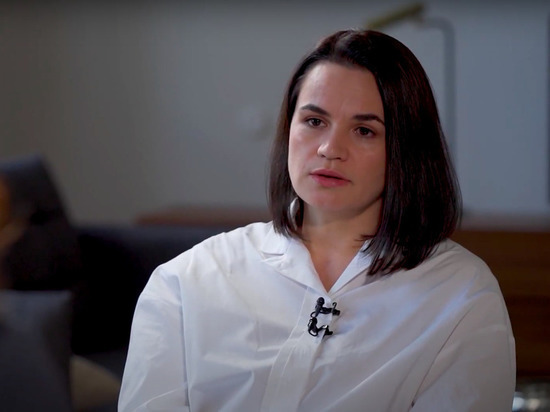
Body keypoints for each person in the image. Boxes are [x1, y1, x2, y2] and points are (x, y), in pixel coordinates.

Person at [118, 29, 515, 411]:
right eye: (314, 121)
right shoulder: (186, 282)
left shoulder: (461, 296)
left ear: (406, 149)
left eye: (364, 130)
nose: (329, 148)